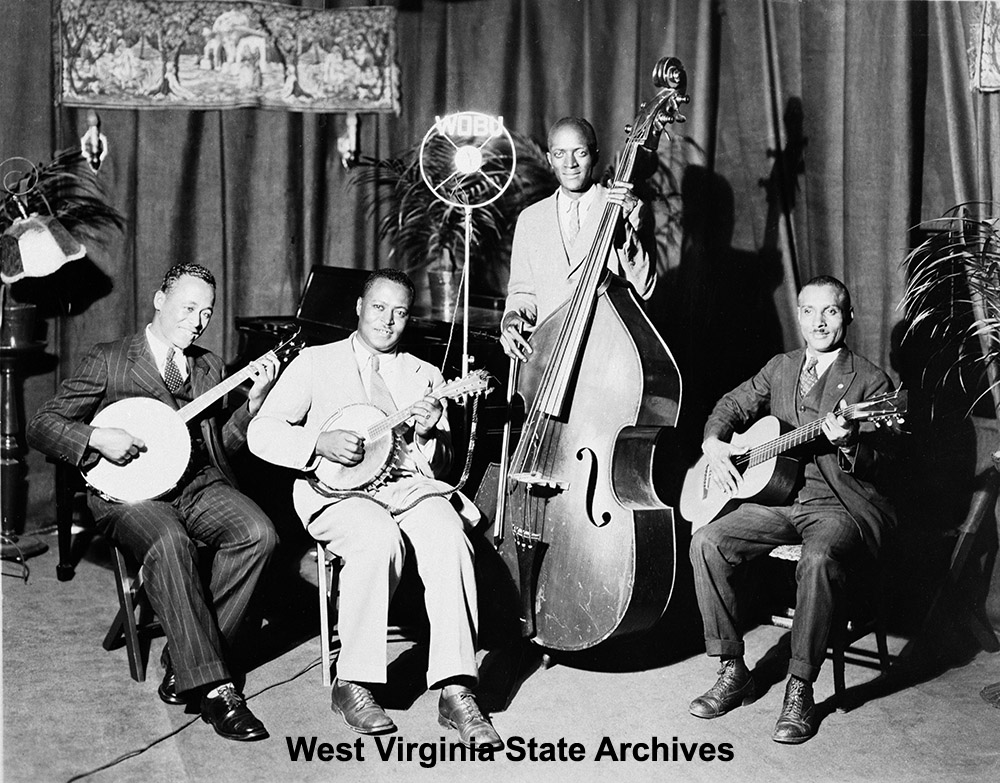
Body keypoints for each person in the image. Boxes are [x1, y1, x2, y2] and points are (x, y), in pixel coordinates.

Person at [246, 268, 503, 748]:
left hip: (405, 487)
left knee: (448, 531)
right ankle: (354, 682)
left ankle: (456, 687)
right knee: (375, 535)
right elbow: (261, 431)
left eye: (400, 312)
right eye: (379, 307)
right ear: (360, 307)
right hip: (335, 492)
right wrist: (317, 441)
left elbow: (439, 464)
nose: (388, 321)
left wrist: (428, 434)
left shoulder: (425, 375)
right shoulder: (314, 362)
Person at [27, 262, 279, 742]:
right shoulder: (110, 358)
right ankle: (215, 687)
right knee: (168, 540)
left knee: (259, 534)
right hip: (131, 494)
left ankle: (183, 659)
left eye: (206, 312)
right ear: (159, 300)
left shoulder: (209, 366)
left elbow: (219, 446)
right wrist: (97, 436)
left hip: (194, 484)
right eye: (187, 307)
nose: (197, 321)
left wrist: (254, 406)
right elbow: (44, 423)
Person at [687, 275, 897, 744]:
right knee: (706, 542)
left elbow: (888, 463)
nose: (819, 321)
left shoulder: (871, 381)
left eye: (831, 311)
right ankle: (731, 669)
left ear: (847, 317)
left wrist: (850, 443)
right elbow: (730, 405)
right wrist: (714, 444)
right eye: (809, 311)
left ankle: (800, 687)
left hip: (839, 505)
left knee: (818, 559)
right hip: (779, 502)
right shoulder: (780, 367)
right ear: (799, 315)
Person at [500, 116, 657, 361]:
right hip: (549, 357)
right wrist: (511, 319)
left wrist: (624, 228)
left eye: (580, 152)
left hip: (607, 355)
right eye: (560, 153)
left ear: (594, 155)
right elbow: (523, 294)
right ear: (549, 158)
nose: (569, 163)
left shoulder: (625, 207)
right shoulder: (530, 219)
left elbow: (644, 288)